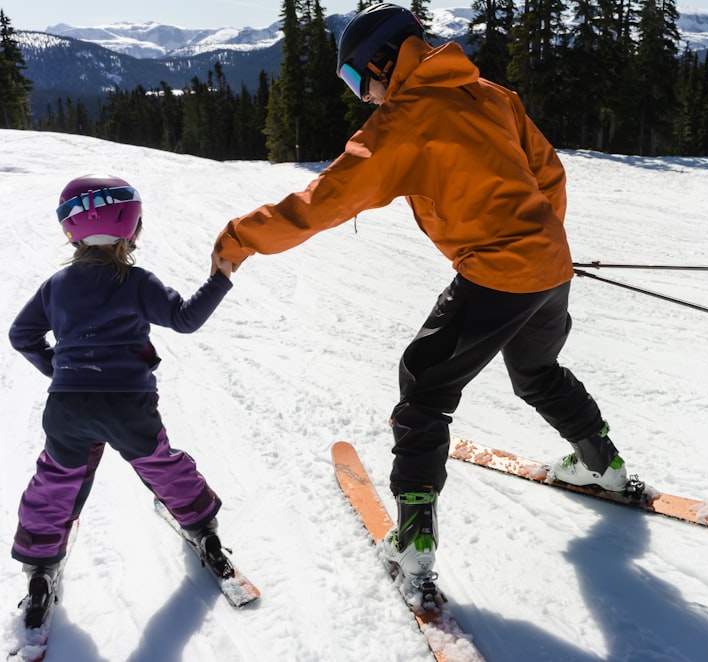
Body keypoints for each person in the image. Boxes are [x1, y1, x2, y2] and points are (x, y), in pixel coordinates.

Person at [212, 2, 629, 583]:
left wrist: (240, 238)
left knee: (424, 388)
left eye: (358, 79)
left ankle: (413, 539)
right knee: (537, 371)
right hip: (549, 268)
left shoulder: (405, 120)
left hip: (497, 272)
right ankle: (602, 464)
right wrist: (542, 240)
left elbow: (325, 201)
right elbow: (549, 172)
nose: (362, 96)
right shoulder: (491, 94)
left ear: (384, 62)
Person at [9, 175, 235, 623]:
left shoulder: (56, 286)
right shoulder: (136, 281)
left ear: (69, 229)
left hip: (69, 407)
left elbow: (22, 334)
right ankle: (201, 527)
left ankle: (39, 567)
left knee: (56, 479)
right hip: (128, 405)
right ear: (132, 228)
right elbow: (185, 319)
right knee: (161, 463)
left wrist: (58, 368)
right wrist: (220, 277)